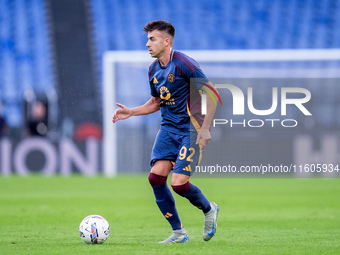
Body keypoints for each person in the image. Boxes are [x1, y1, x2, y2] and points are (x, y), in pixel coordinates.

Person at [112, 20, 219, 243]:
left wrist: (206, 128)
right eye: (148, 39)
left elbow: (213, 94)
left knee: (178, 184)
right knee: (155, 178)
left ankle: (209, 209)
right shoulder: (153, 70)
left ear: (166, 41)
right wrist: (131, 112)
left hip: (191, 129)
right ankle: (179, 232)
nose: (147, 44)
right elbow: (155, 102)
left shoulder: (184, 64)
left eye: (152, 39)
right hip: (168, 129)